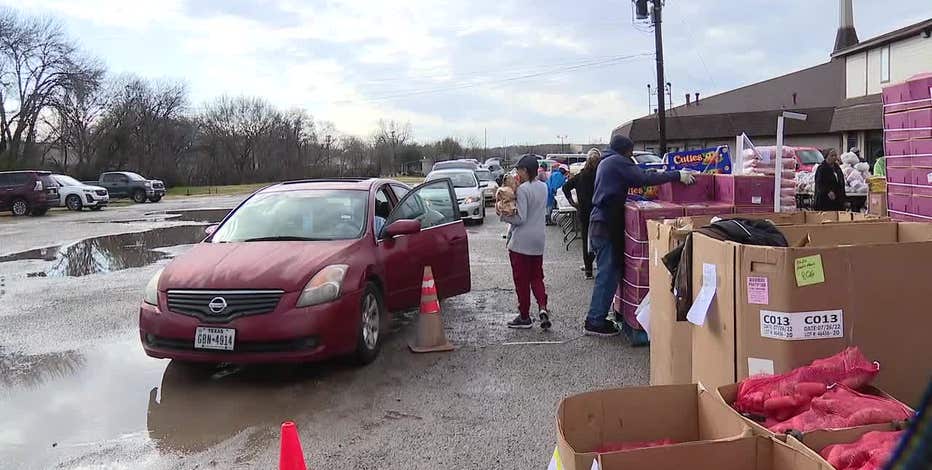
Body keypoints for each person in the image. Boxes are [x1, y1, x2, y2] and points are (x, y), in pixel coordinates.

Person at [584, 135, 695, 336]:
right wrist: (676, 175)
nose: (631, 155)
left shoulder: (607, 161)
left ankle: (598, 317)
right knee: (607, 273)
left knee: (610, 271)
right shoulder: (617, 161)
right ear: (625, 149)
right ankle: (594, 321)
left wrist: (659, 173)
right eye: (630, 151)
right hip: (606, 224)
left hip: (601, 222)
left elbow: (638, 175)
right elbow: (642, 178)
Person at [499, 155, 551, 330]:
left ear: (526, 170)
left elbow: (521, 218)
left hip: (522, 242)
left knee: (521, 281)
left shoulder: (523, 190)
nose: (517, 173)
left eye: (519, 170)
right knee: (537, 277)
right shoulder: (543, 187)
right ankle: (542, 307)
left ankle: (524, 316)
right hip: (538, 240)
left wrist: (503, 215)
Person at [563, 149, 601, 279]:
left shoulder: (580, 176)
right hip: (598, 211)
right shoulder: (600, 176)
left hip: (584, 212)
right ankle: (599, 265)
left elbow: (565, 187)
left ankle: (588, 270)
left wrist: (572, 202)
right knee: (600, 239)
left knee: (586, 240)